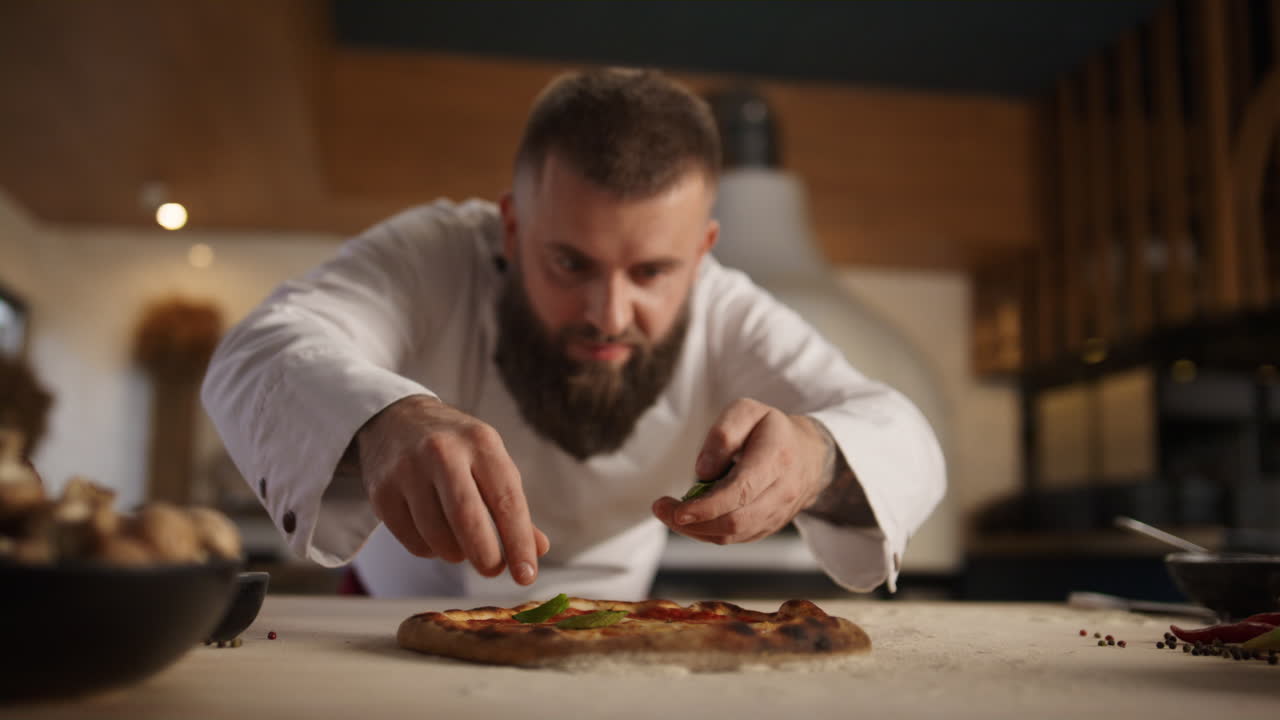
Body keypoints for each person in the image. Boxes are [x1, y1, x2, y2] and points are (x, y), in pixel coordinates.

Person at [201, 68, 945, 600]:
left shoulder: (728, 312)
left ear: (702, 251)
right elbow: (256, 351)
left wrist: (817, 457)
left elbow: (897, 427)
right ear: (512, 226)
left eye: (651, 271)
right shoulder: (436, 253)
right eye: (570, 263)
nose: (608, 314)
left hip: (611, 628)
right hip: (387, 616)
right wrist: (386, 420)